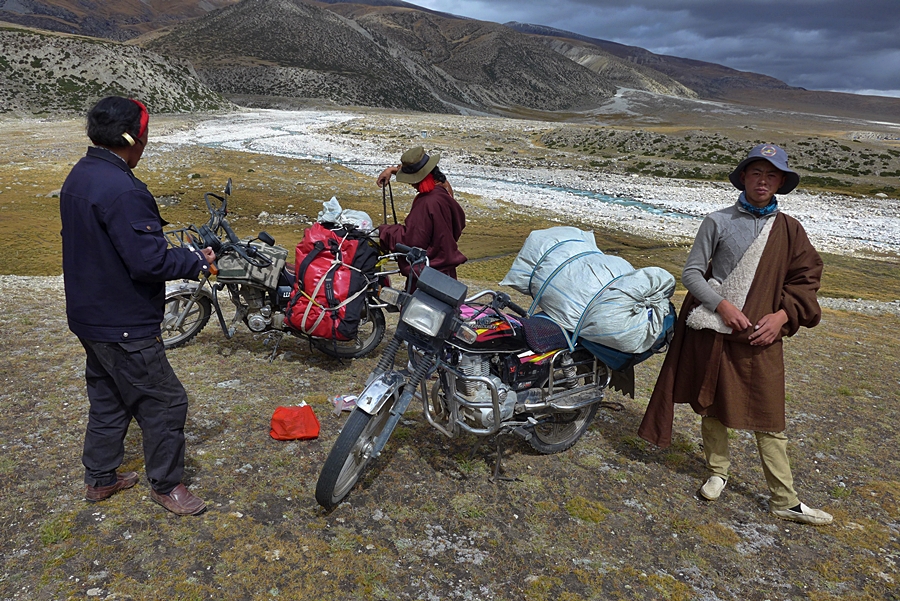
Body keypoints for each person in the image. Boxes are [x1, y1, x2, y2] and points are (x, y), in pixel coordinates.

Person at [637, 143, 832, 526]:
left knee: (770, 414)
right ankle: (717, 472)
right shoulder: (718, 221)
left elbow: (806, 280)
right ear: (743, 177)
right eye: (756, 173)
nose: (763, 181)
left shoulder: (790, 230)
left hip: (763, 335)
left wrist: (782, 316)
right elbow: (692, 273)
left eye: (771, 175)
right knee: (711, 403)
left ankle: (784, 499)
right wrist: (720, 305)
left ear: (780, 182)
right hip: (717, 329)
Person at [60, 96, 215, 516]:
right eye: (145, 136)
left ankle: (100, 479)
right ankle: (167, 485)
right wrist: (197, 259)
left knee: (108, 396)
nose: (146, 144)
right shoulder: (123, 189)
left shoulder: (81, 174)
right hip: (123, 321)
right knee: (166, 402)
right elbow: (150, 263)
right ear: (132, 138)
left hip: (89, 316)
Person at [376, 146, 466, 289]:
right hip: (447, 275)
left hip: (427, 279)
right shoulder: (444, 192)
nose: (412, 184)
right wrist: (392, 170)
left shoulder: (427, 203)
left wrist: (385, 231)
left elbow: (411, 241)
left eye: (413, 180)